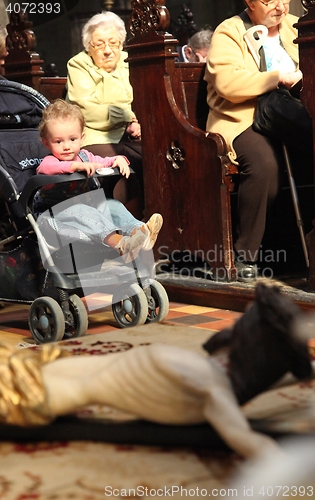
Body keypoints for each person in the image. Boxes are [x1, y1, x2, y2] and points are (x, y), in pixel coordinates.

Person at [0, 283, 312, 460]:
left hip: (50, 390)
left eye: (248, 321)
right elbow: (279, 374)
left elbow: (247, 440)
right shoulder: (217, 369)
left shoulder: (213, 392)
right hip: (57, 370)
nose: (239, 322)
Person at [204, 0, 304, 282]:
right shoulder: (230, 31)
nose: (280, 7)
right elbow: (227, 82)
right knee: (264, 166)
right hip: (243, 117)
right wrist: (276, 78)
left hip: (292, 113)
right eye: (270, 1)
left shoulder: (294, 25)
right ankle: (246, 253)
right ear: (250, 2)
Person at [37, 99, 162, 263]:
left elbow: (103, 161)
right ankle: (120, 244)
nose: (66, 146)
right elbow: (46, 169)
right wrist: (74, 166)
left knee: (111, 204)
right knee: (84, 211)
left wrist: (118, 159)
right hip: (58, 212)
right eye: (58, 141)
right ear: (46, 143)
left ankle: (139, 232)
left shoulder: (84, 156)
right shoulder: (50, 162)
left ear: (81, 138)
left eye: (72, 139)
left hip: (87, 205)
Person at [66, 11, 143, 216]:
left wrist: (140, 122)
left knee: (156, 157)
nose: (107, 50)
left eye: (113, 43)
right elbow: (86, 109)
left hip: (131, 134)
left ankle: (152, 219)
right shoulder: (79, 64)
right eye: (99, 44)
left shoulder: (131, 61)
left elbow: (144, 98)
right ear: (88, 48)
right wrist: (127, 115)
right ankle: (121, 228)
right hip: (93, 136)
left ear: (122, 43)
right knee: (119, 165)